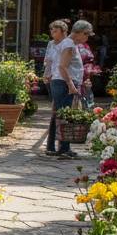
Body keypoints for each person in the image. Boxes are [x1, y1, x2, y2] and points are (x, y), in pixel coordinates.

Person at [52, 19, 93, 159]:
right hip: (63, 83)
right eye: (86, 34)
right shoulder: (69, 45)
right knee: (65, 115)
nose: (86, 38)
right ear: (79, 32)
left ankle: (64, 147)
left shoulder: (68, 44)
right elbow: (62, 67)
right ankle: (64, 148)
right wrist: (71, 85)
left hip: (62, 82)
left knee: (64, 115)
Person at [42, 19, 69, 156]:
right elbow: (48, 61)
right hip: (54, 79)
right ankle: (52, 144)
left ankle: (60, 145)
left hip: (66, 79)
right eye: (51, 30)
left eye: (55, 30)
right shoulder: (51, 44)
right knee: (56, 112)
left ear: (63, 31)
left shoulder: (68, 44)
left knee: (63, 112)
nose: (52, 32)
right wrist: (46, 76)